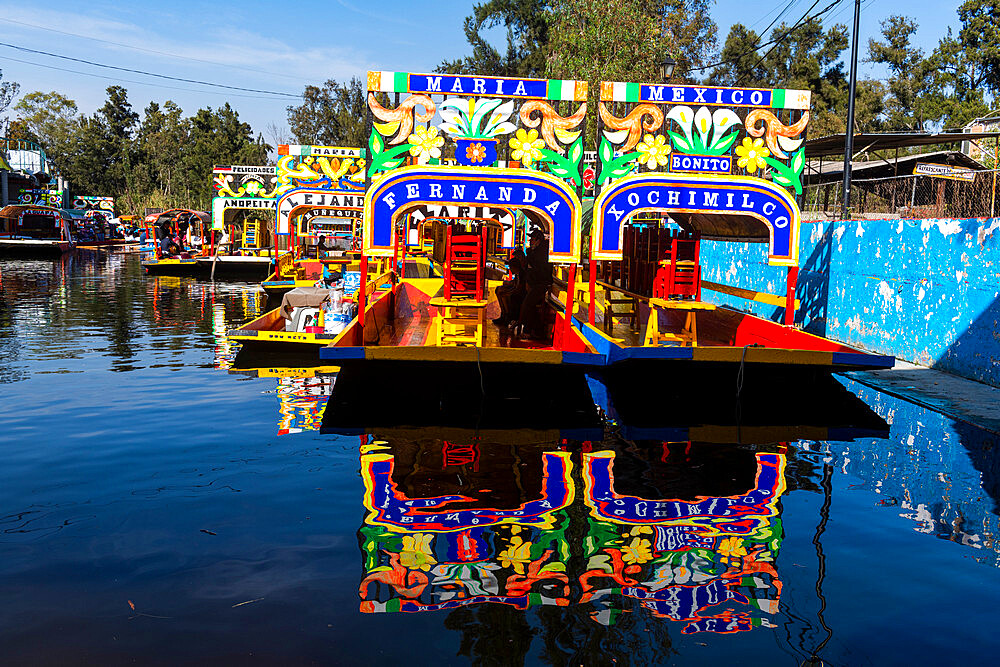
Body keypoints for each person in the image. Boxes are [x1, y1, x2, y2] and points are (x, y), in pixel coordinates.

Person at [512, 229, 552, 338]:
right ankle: (528, 328)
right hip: (534, 283)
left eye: (532, 239)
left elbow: (537, 267)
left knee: (528, 304)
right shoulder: (535, 251)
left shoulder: (541, 252)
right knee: (521, 300)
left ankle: (530, 329)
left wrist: (529, 254)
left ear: (538, 240)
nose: (530, 241)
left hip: (541, 283)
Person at [493, 247, 526, 326]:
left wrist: (508, 289)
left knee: (504, 294)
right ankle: (503, 314)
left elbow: (519, 287)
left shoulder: (522, 271)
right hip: (516, 289)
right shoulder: (519, 271)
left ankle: (507, 316)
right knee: (499, 290)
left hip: (520, 293)